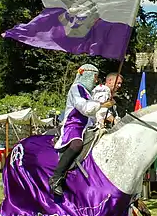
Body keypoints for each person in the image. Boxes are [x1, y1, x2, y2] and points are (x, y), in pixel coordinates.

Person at [48, 64, 114, 197]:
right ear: (88, 75)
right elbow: (84, 107)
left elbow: (91, 112)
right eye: (95, 77)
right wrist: (101, 105)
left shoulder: (87, 92)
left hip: (85, 126)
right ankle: (56, 178)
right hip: (73, 125)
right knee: (76, 144)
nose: (96, 80)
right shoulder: (76, 88)